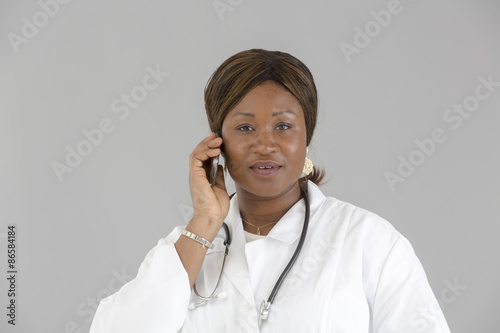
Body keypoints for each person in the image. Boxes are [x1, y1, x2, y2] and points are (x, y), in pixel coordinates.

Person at [90, 49, 450, 332]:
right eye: (245, 128)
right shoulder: (187, 248)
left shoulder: (369, 242)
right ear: (217, 141)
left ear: (306, 138)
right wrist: (204, 222)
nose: (265, 144)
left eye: (283, 126)